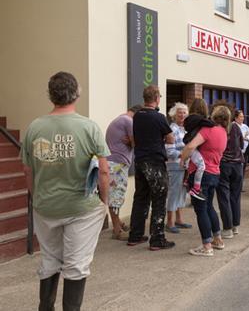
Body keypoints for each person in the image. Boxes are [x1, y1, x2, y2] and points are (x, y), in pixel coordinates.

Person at [21, 72, 110, 310]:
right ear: (77, 93)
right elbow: (103, 172)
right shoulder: (89, 127)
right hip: (82, 207)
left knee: (49, 259)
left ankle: (45, 307)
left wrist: (36, 197)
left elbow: (28, 171)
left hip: (46, 205)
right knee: (76, 265)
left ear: (51, 95)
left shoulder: (34, 127)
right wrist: (104, 202)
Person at [128, 85, 175, 250]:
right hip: (155, 161)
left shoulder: (137, 116)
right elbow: (170, 139)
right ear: (156, 98)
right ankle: (157, 239)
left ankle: (135, 235)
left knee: (140, 198)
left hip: (140, 161)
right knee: (159, 199)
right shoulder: (159, 117)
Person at [180, 104, 229, 257]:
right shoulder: (223, 132)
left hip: (201, 175)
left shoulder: (208, 130)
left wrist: (183, 158)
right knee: (209, 207)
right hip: (215, 173)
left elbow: (191, 146)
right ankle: (218, 240)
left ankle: (206, 246)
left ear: (214, 116)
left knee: (201, 209)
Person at [106, 105, 142, 241]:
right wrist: (133, 141)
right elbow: (136, 143)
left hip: (114, 163)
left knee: (115, 195)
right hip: (117, 165)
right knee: (116, 196)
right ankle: (117, 230)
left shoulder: (120, 120)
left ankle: (118, 223)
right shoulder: (128, 121)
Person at [215, 103, 244, 239]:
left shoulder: (218, 129)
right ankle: (235, 226)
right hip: (238, 165)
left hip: (224, 164)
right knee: (235, 196)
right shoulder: (236, 128)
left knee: (224, 197)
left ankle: (227, 228)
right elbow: (242, 144)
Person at [165, 102, 192, 234]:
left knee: (181, 193)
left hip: (185, 166)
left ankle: (179, 219)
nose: (182, 114)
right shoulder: (172, 129)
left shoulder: (185, 129)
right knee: (173, 192)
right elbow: (169, 151)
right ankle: (169, 221)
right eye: (179, 112)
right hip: (175, 165)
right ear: (174, 115)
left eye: (184, 112)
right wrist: (184, 154)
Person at [182, 99, 216, 201]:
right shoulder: (198, 119)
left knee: (189, 162)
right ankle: (196, 188)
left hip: (189, 143)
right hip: (193, 145)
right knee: (201, 165)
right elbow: (210, 124)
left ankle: (187, 180)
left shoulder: (189, 119)